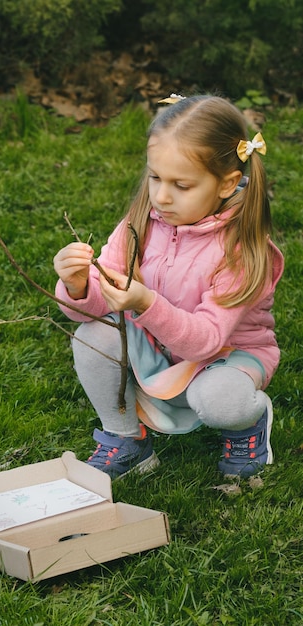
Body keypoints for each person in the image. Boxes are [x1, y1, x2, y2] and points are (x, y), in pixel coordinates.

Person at [53, 94, 284, 480]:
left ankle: (248, 422)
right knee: (92, 336)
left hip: (225, 358)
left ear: (227, 183)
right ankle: (127, 438)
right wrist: (78, 286)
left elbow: (208, 340)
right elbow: (95, 306)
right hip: (161, 348)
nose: (161, 196)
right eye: (155, 177)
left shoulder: (242, 250)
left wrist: (145, 303)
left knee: (216, 399)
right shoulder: (142, 221)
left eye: (182, 184)